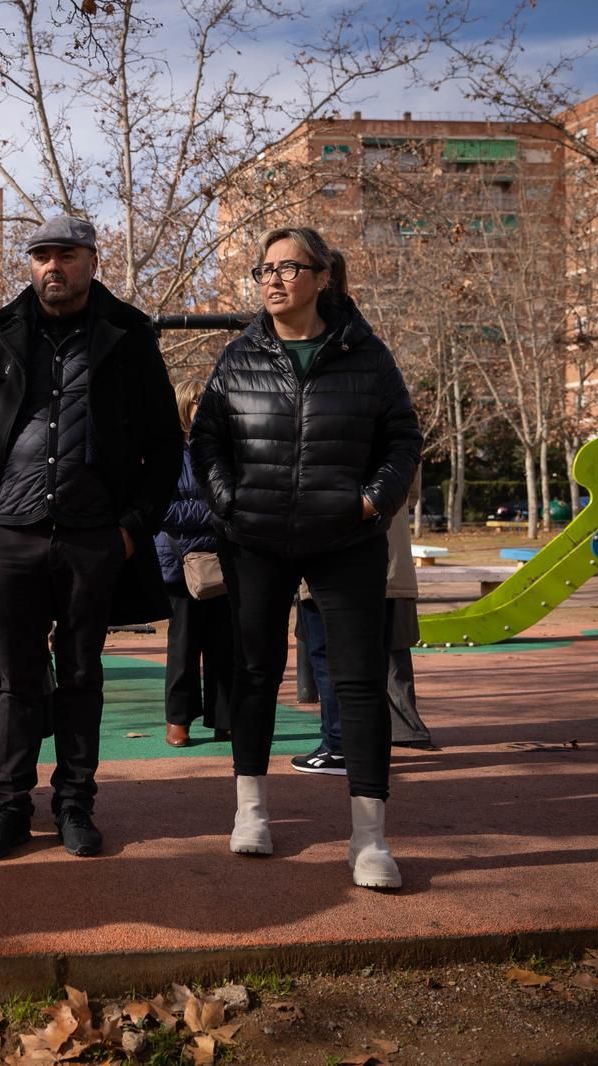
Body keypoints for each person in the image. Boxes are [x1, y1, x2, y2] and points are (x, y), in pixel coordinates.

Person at [191, 226, 421, 890]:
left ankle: (371, 839)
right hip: (255, 537)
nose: (273, 280)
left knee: (356, 681)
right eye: (264, 270)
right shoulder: (238, 356)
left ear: (324, 277)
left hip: (346, 536)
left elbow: (402, 436)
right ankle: (251, 814)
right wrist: (228, 501)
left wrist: (372, 502)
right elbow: (206, 438)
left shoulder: (367, 356)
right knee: (254, 673)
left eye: (289, 268)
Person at [0, 215, 181, 861]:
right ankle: (8, 809)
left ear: (92, 261)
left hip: (92, 539)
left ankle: (75, 805)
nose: (52, 266)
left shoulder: (130, 334)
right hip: (11, 539)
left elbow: (165, 446)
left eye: (66, 254)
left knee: (81, 675)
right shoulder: (1, 334)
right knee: (14, 679)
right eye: (41, 255)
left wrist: (131, 532)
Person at [294, 469, 434, 775]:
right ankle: (367, 748)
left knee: (330, 657)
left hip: (332, 557)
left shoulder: (320, 426)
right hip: (388, 563)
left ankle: (339, 745)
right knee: (375, 661)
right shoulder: (401, 424)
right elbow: (409, 492)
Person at [157, 377, 234, 748]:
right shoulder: (168, 454)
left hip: (225, 561)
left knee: (225, 645)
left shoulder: (226, 451)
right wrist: (213, 511)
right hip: (181, 561)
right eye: (197, 403)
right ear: (184, 407)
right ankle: (179, 719)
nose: (204, 409)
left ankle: (225, 718)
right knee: (183, 645)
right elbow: (165, 510)